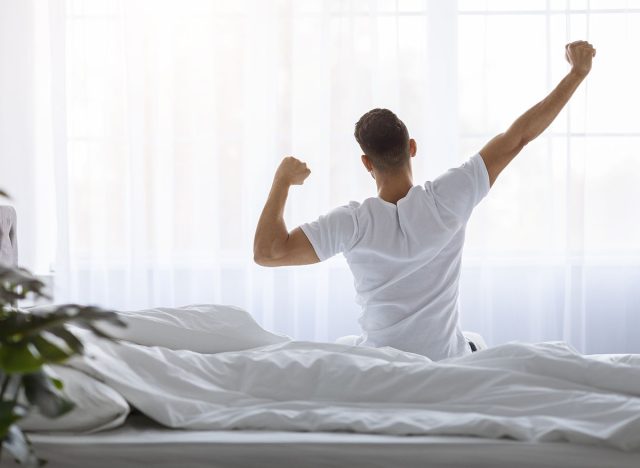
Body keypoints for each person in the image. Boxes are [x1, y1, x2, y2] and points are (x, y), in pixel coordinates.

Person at [253, 41, 596, 360]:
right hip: (446, 359)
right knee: (475, 343)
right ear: (412, 147)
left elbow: (267, 253)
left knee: (347, 346)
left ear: (366, 163)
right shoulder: (450, 196)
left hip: (381, 362)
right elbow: (518, 137)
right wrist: (576, 74)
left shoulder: (351, 223)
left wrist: (282, 180)